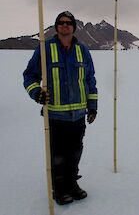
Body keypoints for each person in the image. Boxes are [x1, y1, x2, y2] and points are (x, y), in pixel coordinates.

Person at [23, 11, 98, 205]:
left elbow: (89, 79)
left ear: (74, 27)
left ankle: (72, 183)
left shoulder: (83, 50)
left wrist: (92, 106)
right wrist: (36, 92)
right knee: (58, 154)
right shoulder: (45, 48)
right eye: (61, 23)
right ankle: (59, 187)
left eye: (69, 23)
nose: (65, 25)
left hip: (78, 115)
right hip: (55, 115)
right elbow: (30, 76)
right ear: (56, 27)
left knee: (75, 151)